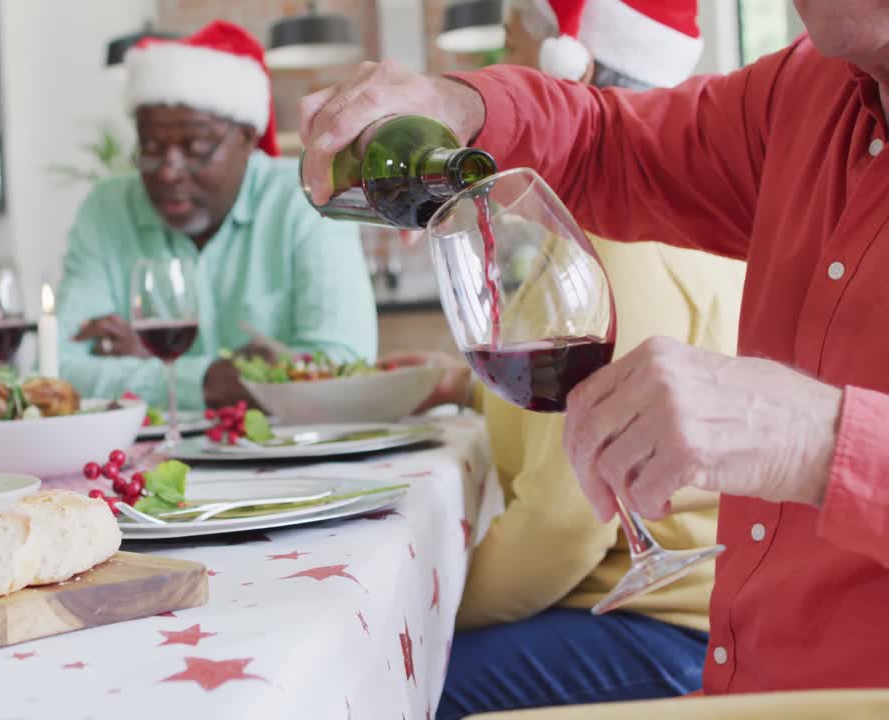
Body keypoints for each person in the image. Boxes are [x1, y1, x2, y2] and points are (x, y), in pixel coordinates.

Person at [301, 0, 889, 704]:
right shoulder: (809, 93)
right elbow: (607, 143)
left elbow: (562, 529)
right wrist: (458, 102)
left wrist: (817, 441)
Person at [381, 1, 746, 715]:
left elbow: (566, 522)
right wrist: (460, 384)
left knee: (404, 689)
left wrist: (424, 616)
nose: (492, 79)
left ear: (564, 70)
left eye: (508, 54)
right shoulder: (667, 217)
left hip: (668, 625)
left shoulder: (618, 243)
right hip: (674, 607)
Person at [56, 20, 377, 411]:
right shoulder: (105, 210)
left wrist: (155, 366)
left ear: (246, 138)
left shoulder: (307, 199)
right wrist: (213, 379)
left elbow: (344, 363)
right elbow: (63, 370)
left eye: (195, 147)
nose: (168, 170)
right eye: (151, 147)